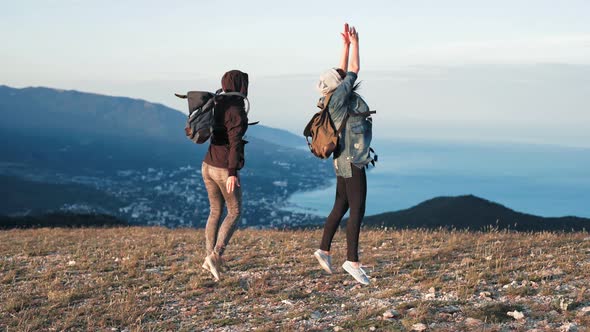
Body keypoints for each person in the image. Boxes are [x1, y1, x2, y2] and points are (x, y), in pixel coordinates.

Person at [313, 24, 372, 285]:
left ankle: (324, 250)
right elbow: (353, 70)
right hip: (352, 159)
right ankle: (352, 261)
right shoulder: (339, 98)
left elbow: (342, 73)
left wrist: (345, 45)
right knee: (357, 209)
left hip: (341, 160)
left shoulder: (329, 98)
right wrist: (357, 43)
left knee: (342, 205)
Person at [201, 70, 249, 281]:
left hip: (207, 164)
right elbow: (235, 142)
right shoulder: (237, 109)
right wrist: (232, 173)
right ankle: (216, 255)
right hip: (223, 169)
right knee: (235, 211)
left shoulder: (215, 102)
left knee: (215, 211)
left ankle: (210, 259)